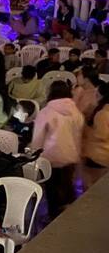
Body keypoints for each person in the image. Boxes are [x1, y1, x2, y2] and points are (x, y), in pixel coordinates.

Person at [30, 81, 84, 216]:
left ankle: (55, 218)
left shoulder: (46, 112)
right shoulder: (76, 111)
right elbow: (79, 133)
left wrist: (33, 154)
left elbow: (38, 138)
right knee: (67, 186)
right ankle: (70, 214)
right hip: (71, 155)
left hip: (51, 157)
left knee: (52, 190)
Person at [84, 81, 109, 170]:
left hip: (100, 155)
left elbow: (101, 135)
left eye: (97, 95)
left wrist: (87, 130)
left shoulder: (102, 114)